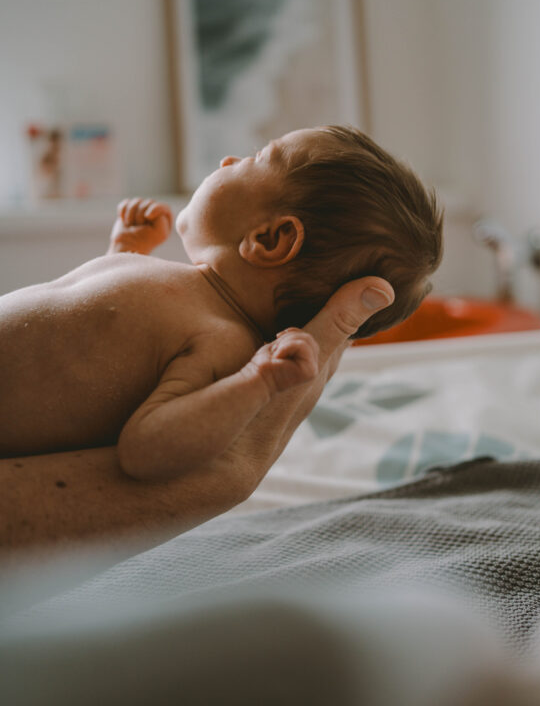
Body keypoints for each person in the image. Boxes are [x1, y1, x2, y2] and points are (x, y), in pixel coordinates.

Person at [0, 124, 441, 489]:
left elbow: (146, 449)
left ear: (269, 240)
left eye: (253, 161)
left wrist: (258, 381)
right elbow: (93, 334)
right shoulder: (193, 296)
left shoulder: (223, 342)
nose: (229, 161)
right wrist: (124, 252)